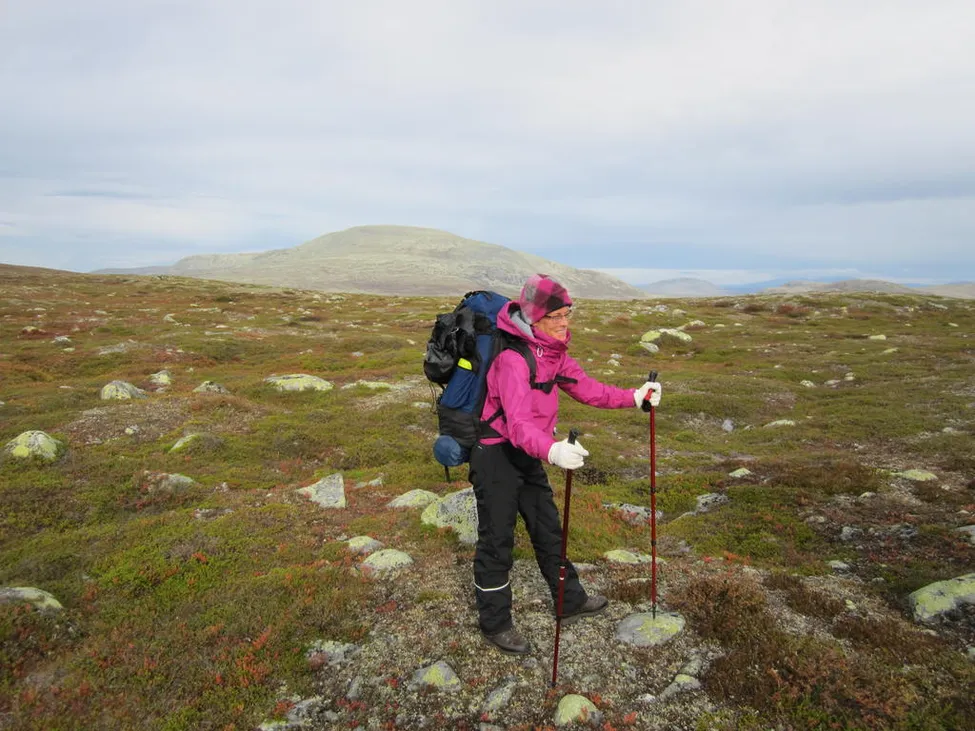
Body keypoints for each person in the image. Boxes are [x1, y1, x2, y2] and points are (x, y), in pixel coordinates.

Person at [470, 273, 662, 655]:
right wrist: (553, 450)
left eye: (566, 314)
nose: (563, 323)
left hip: (529, 452)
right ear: (534, 318)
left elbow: (588, 389)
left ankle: (569, 601)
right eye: (554, 316)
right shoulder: (511, 359)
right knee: (497, 540)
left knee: (548, 529)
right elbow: (517, 424)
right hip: (495, 455)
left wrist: (634, 397)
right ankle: (495, 623)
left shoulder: (553, 353)